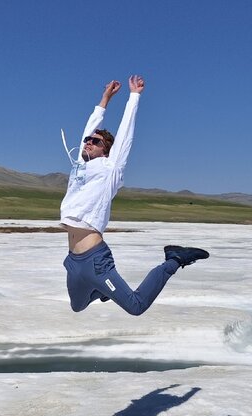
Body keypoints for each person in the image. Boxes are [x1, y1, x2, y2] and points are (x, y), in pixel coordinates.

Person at [60, 75, 209, 315]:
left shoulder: (110, 169)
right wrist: (105, 99)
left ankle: (174, 259)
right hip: (74, 261)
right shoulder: (80, 166)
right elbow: (88, 129)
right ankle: (102, 291)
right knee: (77, 306)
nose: (87, 142)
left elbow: (125, 134)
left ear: (106, 151)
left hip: (95, 261)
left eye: (94, 141)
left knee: (135, 306)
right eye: (87, 140)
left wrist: (134, 97)